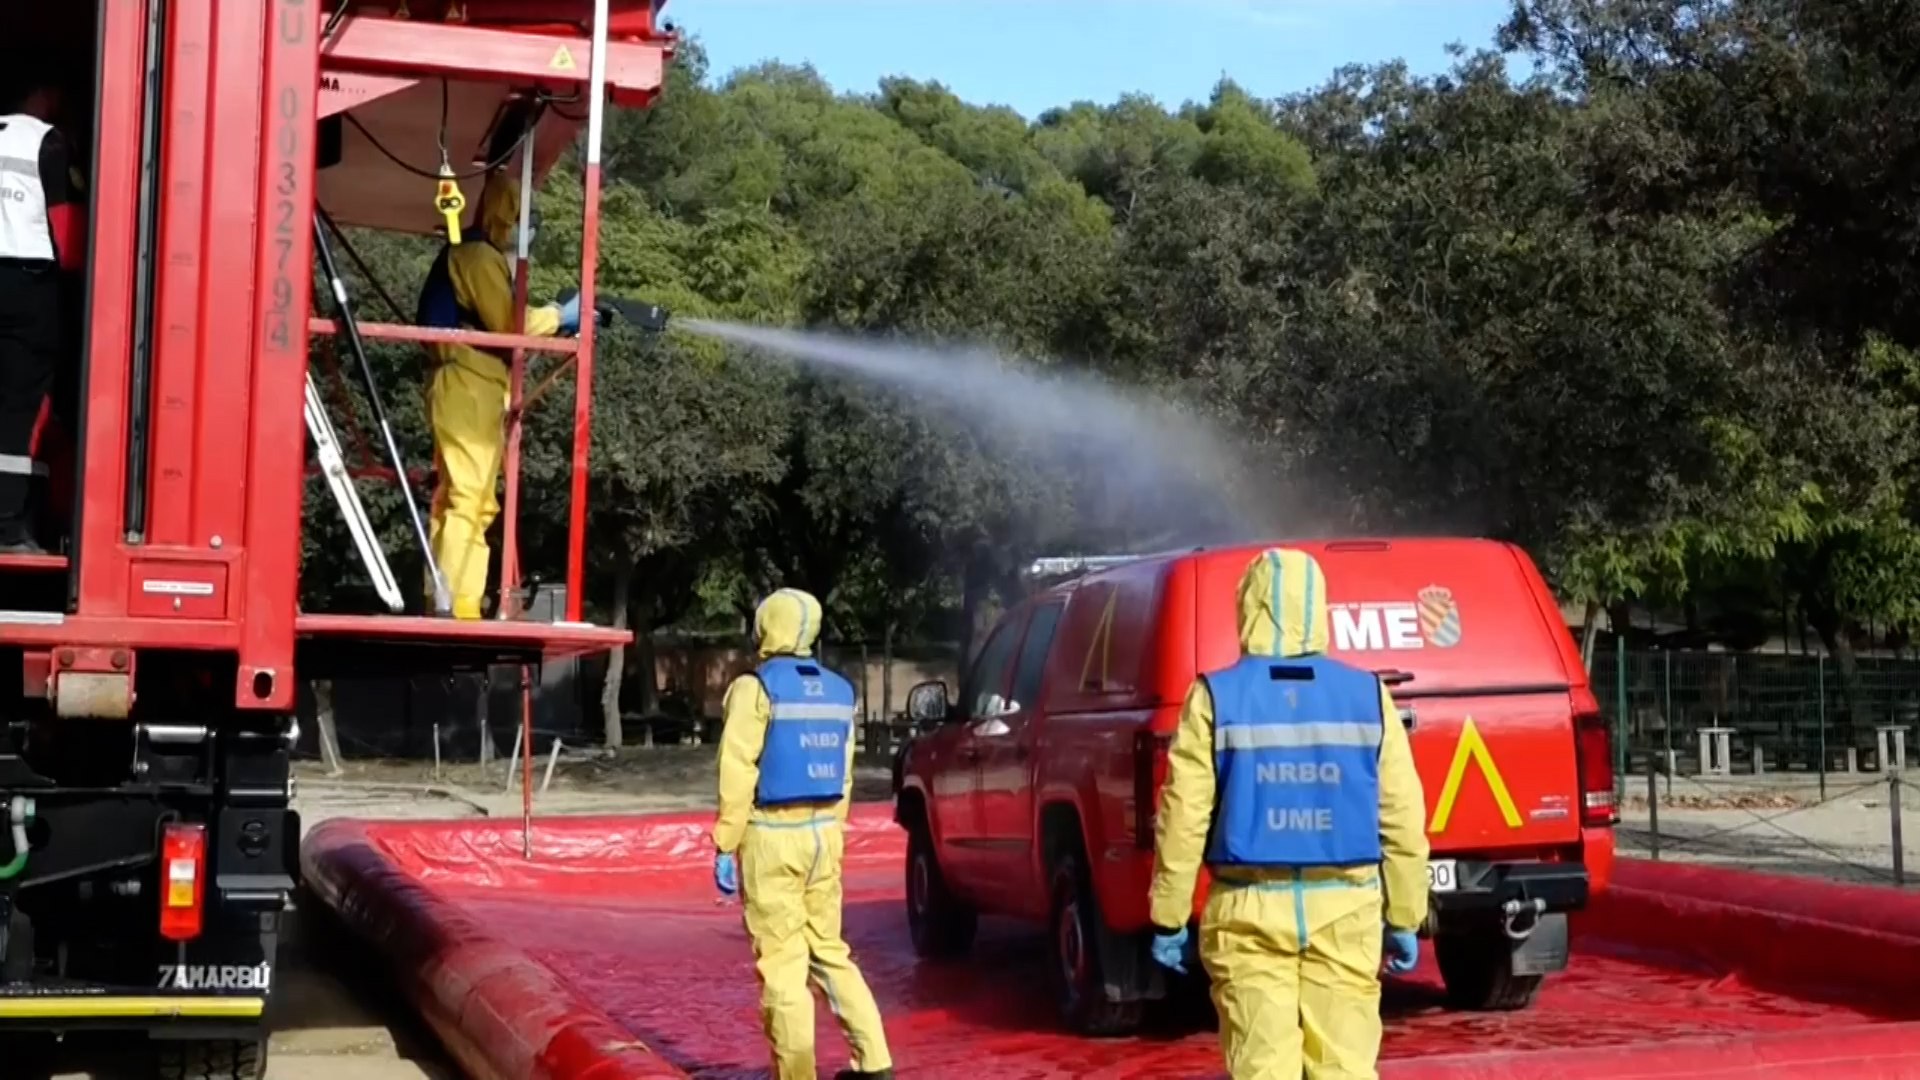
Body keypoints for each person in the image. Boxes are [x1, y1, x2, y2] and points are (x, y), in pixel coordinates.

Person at [1147, 548, 1430, 1080]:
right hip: (1347, 909)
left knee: (1261, 1067)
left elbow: (1182, 817)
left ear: (1246, 607)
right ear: (1318, 607)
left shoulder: (1213, 697)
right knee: (1344, 1068)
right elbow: (1401, 817)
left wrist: (1168, 917)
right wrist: (1405, 914)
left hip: (1247, 912)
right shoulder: (1368, 696)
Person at [711, 588, 895, 1080]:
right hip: (824, 837)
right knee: (830, 951)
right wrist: (833, 831)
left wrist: (726, 843)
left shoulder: (756, 688)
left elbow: (738, 769)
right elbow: (845, 774)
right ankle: (874, 1061)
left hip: (772, 837)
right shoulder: (840, 690)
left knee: (783, 966)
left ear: (766, 627)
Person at [414, 172, 578, 617]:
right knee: (470, 497)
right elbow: (511, 323)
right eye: (522, 219)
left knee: (459, 497)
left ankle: (444, 598)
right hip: (467, 384)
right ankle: (459, 604)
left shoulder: (472, 254)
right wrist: (560, 315)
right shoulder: (478, 255)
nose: (525, 231)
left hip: (470, 384)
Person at [0, 78, 84, 554]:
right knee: (19, 406)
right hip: (28, 284)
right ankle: (8, 527)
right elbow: (67, 236)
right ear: (47, 95)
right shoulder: (45, 141)